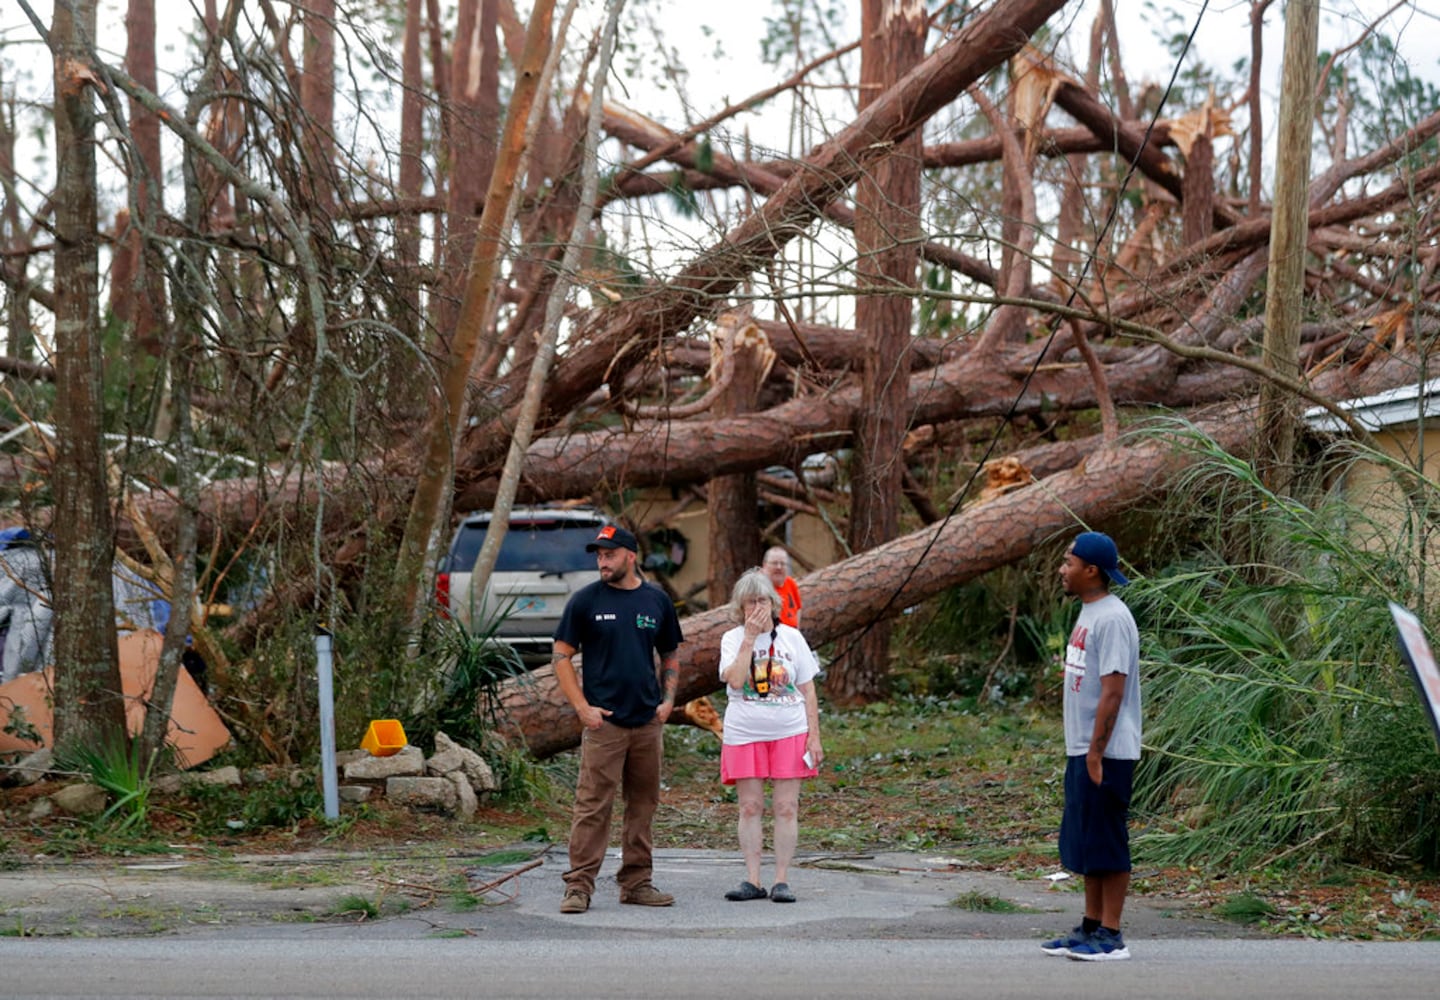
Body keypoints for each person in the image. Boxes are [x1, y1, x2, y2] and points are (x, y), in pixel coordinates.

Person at [552, 524, 684, 914]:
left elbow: (671, 655)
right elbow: (561, 657)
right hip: (604, 724)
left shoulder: (656, 601)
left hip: (646, 723)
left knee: (643, 805)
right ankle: (578, 886)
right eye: (598, 555)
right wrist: (582, 708)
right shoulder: (585, 601)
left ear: (631, 556)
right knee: (593, 806)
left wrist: (668, 701)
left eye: (609, 554)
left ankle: (637, 882)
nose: (602, 561)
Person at [1041, 531, 1142, 961]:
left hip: (1107, 752)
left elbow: (1113, 691)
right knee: (1085, 841)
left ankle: (1112, 935)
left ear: (1091, 570)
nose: (1063, 570)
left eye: (1069, 562)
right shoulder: (1089, 613)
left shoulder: (1113, 618)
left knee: (1107, 840)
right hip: (1082, 748)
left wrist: (1097, 752)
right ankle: (1090, 926)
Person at [717, 568, 823, 904]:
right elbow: (734, 680)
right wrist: (749, 638)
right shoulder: (732, 639)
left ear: (773, 602)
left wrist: (814, 737)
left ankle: (781, 880)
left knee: (786, 806)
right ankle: (752, 879)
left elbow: (808, 690)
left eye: (761, 600)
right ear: (740, 607)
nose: (756, 608)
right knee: (749, 806)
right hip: (744, 731)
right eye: (750, 602)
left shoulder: (792, 637)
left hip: (789, 729)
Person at [762, 546, 802, 629]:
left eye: (783, 563)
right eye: (774, 563)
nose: (779, 567)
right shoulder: (759, 587)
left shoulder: (790, 583)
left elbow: (798, 608)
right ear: (765, 565)